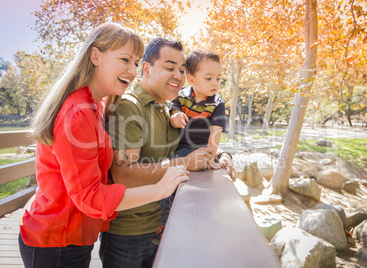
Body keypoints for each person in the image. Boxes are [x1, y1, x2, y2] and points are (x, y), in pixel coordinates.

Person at [18, 23, 189, 268]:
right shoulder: (77, 112)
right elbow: (89, 196)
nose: (132, 71)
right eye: (124, 59)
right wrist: (160, 189)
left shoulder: (95, 106)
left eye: (135, 62)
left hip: (77, 235)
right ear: (95, 55)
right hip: (55, 238)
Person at [100, 38, 219, 268]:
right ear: (146, 68)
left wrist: (222, 156)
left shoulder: (169, 107)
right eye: (169, 67)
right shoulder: (129, 106)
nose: (178, 75)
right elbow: (124, 174)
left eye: (182, 70)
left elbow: (195, 144)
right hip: (130, 235)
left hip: (164, 227)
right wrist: (184, 163)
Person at [152, 49, 229, 245]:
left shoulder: (217, 104)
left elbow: (216, 133)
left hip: (201, 147)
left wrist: (212, 155)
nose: (215, 83)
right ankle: (164, 223)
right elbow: (174, 107)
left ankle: (200, 225)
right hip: (181, 148)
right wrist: (175, 114)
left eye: (218, 79)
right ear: (192, 79)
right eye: (209, 78)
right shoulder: (182, 96)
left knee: (200, 184)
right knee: (171, 176)